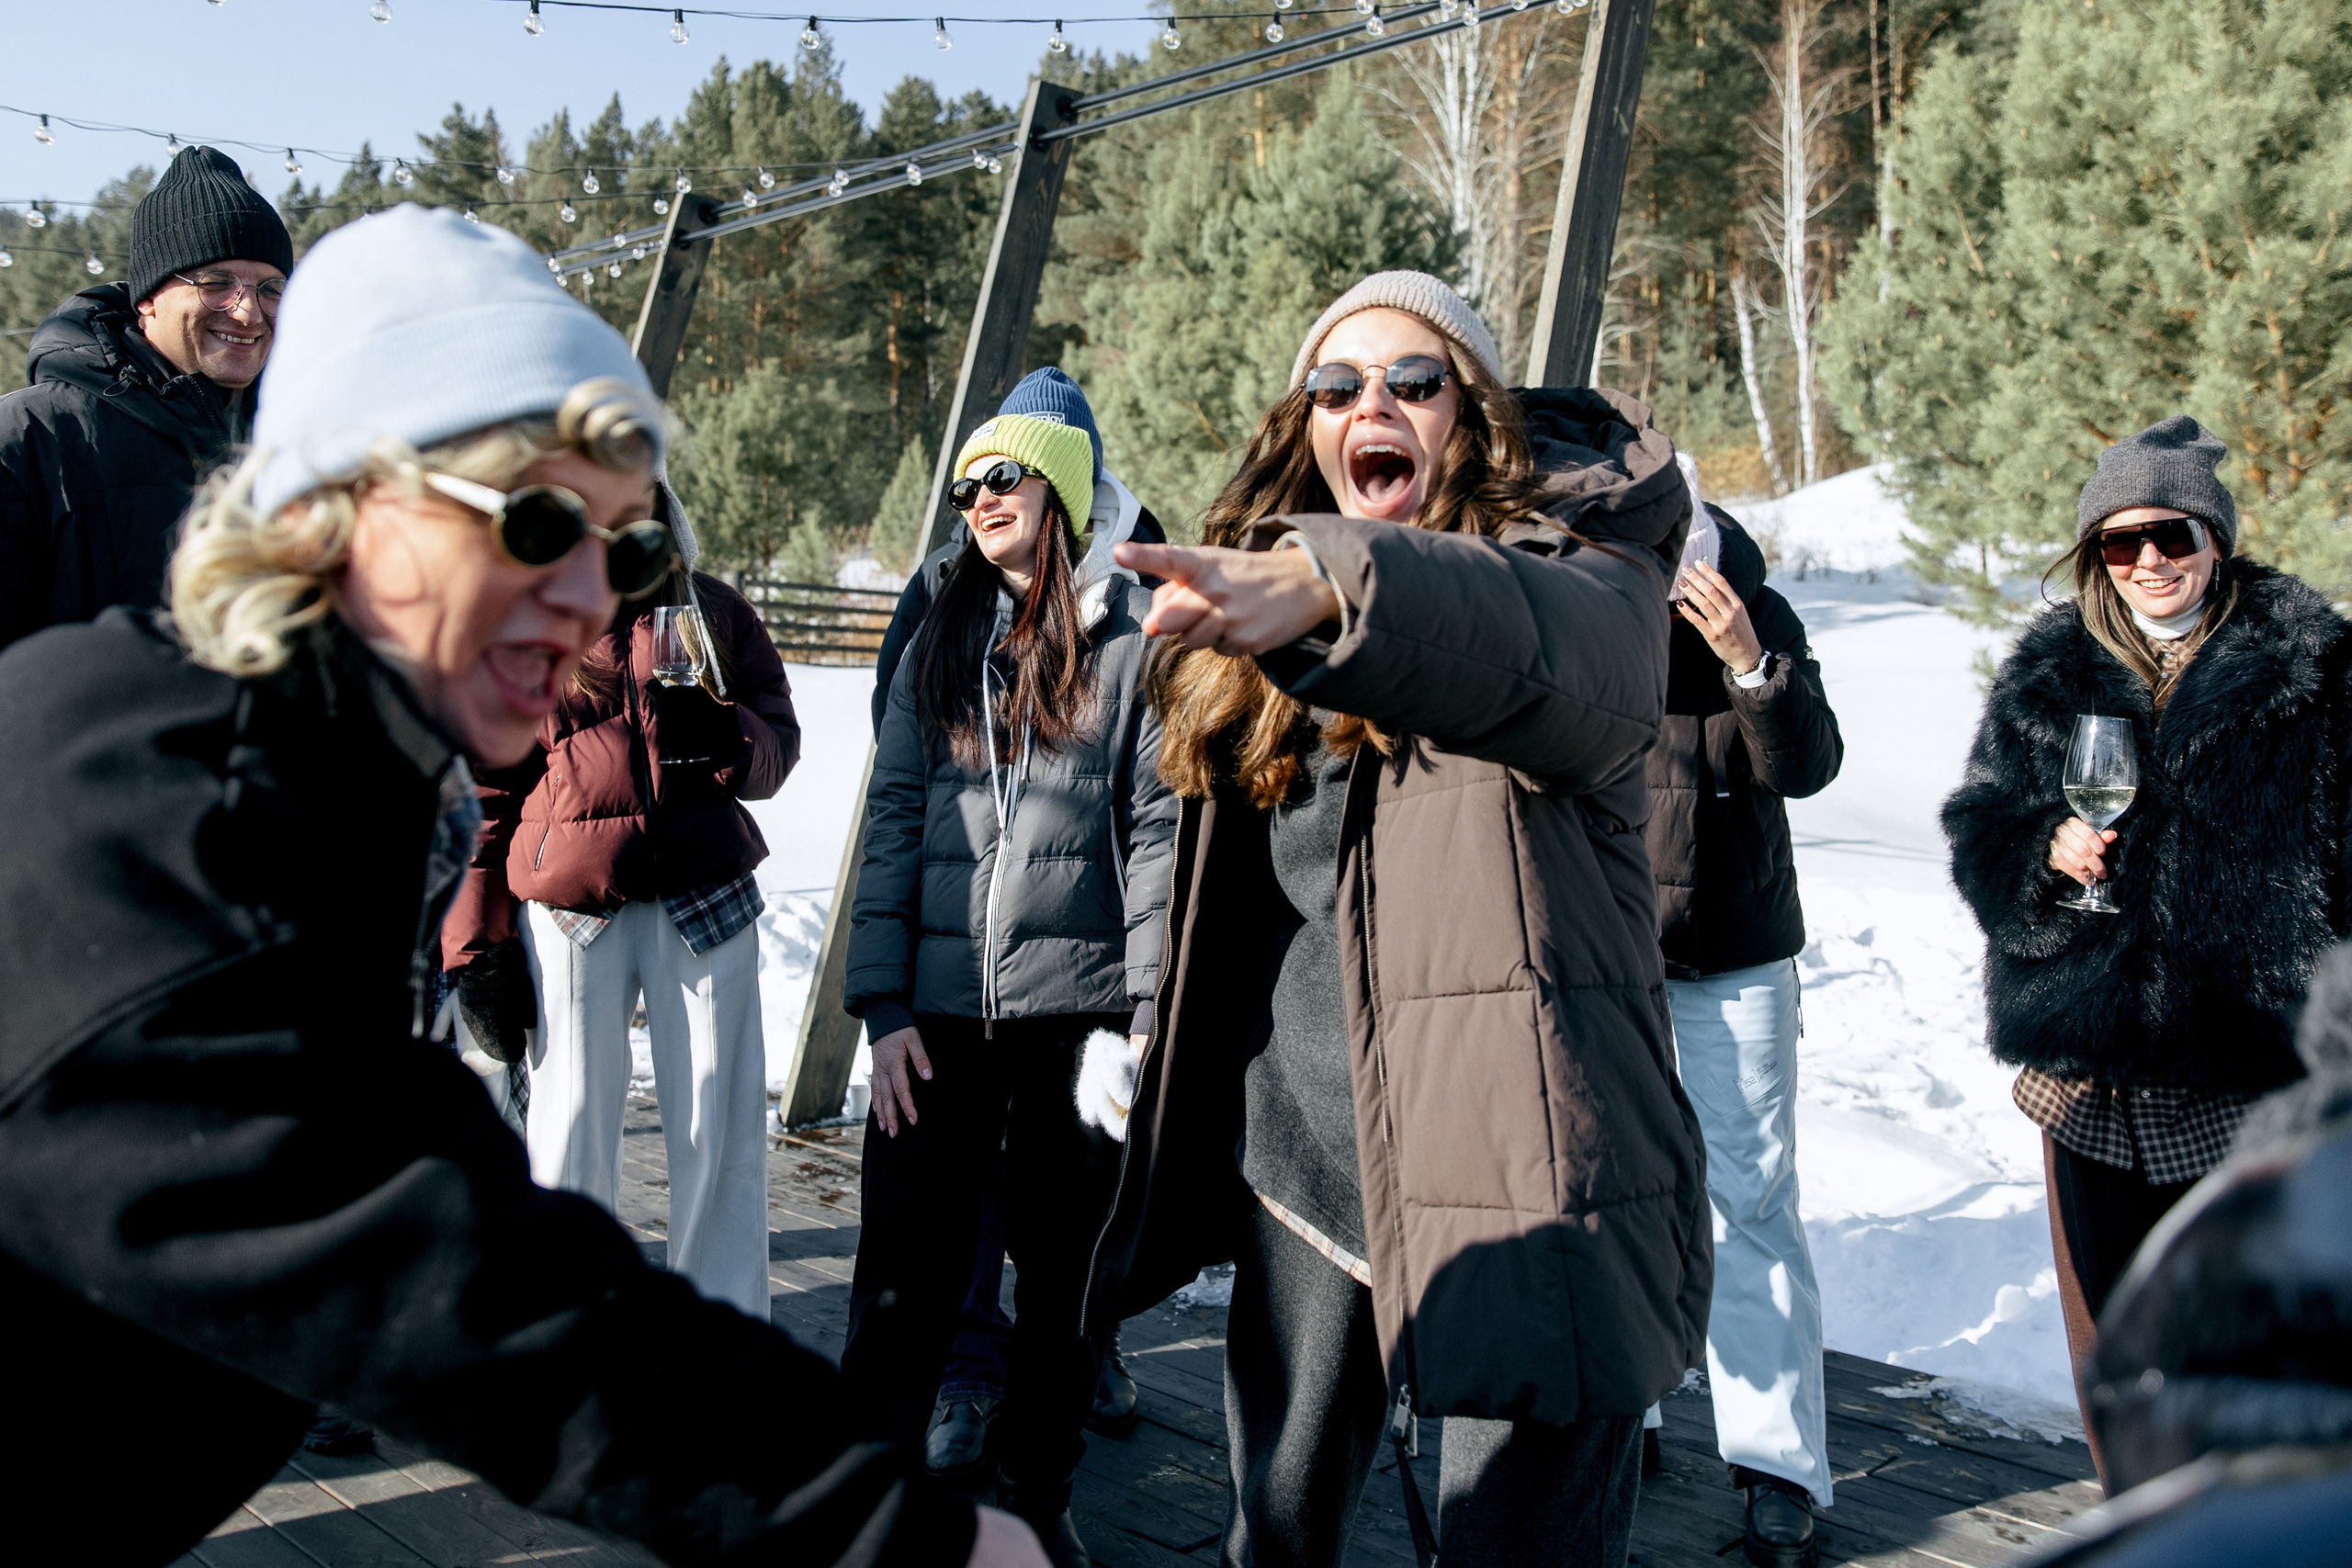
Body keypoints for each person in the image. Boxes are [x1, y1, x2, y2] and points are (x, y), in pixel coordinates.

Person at [0, 204, 1044, 1568]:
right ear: (343, 497)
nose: (586, 596)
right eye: (541, 518)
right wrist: (889, 1524)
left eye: (627, 549)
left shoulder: (339, 779)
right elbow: (447, 1275)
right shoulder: (140, 783)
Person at [1085, 272, 1712, 1568]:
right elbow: (1222, 883)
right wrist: (1146, 1017)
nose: (1374, 403)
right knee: (1279, 1526)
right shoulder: (1259, 621)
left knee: (1513, 1549)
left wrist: (1340, 585)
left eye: (1413, 381)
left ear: (1471, 413)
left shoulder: (1579, 571)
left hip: (1526, 1168)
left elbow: (1560, 665)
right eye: (1338, 384)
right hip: (1310, 1154)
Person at [1942, 414, 2344, 1489]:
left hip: (2243, 1070)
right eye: (2119, 544)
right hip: (2086, 1071)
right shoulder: (2047, 677)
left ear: (2216, 540)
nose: (2149, 563)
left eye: (2171, 535)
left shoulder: (2314, 672)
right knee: (2113, 1353)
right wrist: (2039, 854)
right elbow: (1979, 828)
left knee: (2238, 1356)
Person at [842, 377, 1178, 1566]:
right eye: (969, 479)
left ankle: (1037, 1494)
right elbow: (888, 814)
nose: (978, 497)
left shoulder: (1131, 643)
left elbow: (1156, 832)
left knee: (1064, 1290)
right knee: (897, 1283)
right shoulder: (939, 620)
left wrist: (1142, 1019)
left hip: (1080, 1024)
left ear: (1064, 491)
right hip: (933, 1014)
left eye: (1005, 476)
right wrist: (877, 1004)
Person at [440, 470, 796, 1327]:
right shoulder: (526, 622)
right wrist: (475, 948)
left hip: (705, 900)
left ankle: (720, 1342)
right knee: (569, 1134)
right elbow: (483, 794)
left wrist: (729, 734)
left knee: (720, 1134)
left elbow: (779, 747)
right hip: (571, 911)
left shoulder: (714, 612)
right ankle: (570, 1346)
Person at [1646, 460, 1844, 1566]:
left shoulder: (1754, 607)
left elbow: (1808, 766)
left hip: (1734, 956)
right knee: (1614, 1187)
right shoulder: (1586, 597)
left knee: (1751, 1200)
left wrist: (1748, 667)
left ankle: (1775, 1467)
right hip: (1607, 953)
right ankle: (1622, 1415)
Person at [0, 145, 292, 649]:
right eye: (216, 283)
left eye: (270, 288)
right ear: (148, 299)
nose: (248, 312)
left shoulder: (299, 441)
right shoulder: (34, 437)